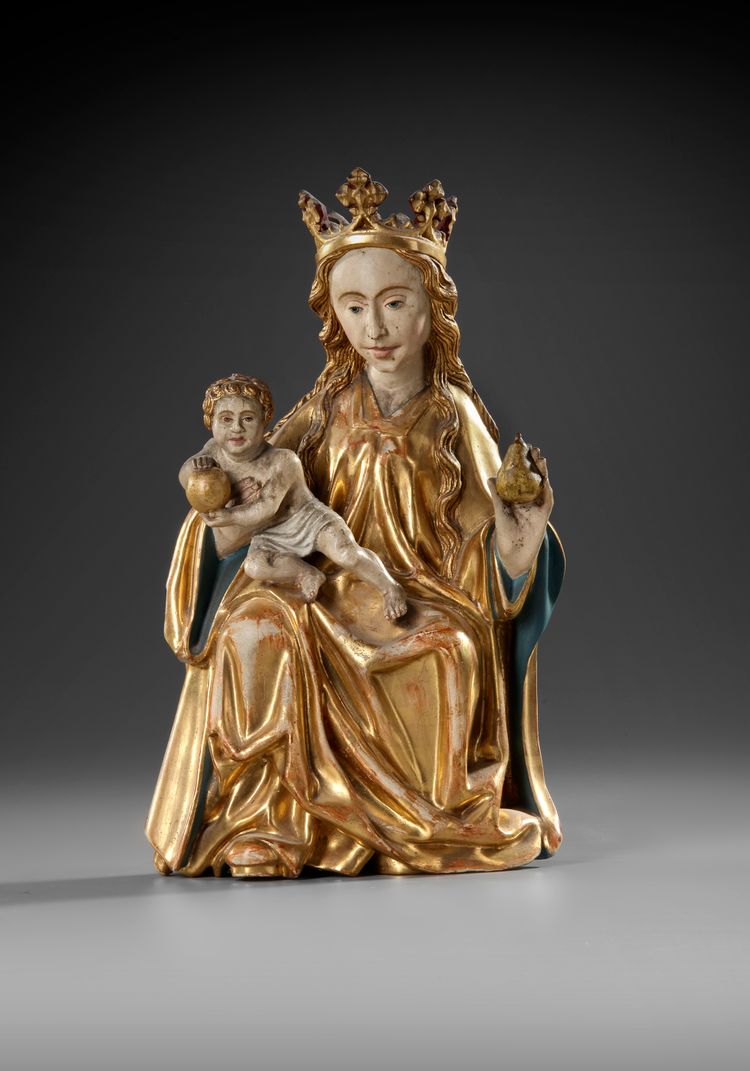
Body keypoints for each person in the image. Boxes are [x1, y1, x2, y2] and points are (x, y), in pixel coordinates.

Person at [146, 167, 566, 879]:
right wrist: (220, 517)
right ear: (333, 316)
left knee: (449, 648)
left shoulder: (456, 417)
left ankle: (435, 815)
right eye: (354, 307)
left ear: (432, 307)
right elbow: (245, 497)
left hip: (418, 592)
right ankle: (268, 822)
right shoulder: (321, 410)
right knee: (252, 627)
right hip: (318, 583)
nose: (375, 328)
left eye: (395, 303)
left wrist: (519, 543)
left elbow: (488, 550)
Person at [182, 373, 408, 618]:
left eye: (247, 418)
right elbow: (185, 476)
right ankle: (305, 573)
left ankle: (389, 587)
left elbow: (267, 507)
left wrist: (230, 516)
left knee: (345, 551)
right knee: (255, 566)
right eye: (226, 419)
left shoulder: (281, 461)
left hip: (307, 520)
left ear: (264, 422)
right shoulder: (213, 452)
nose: (236, 428)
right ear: (211, 422)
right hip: (269, 533)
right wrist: (197, 470)